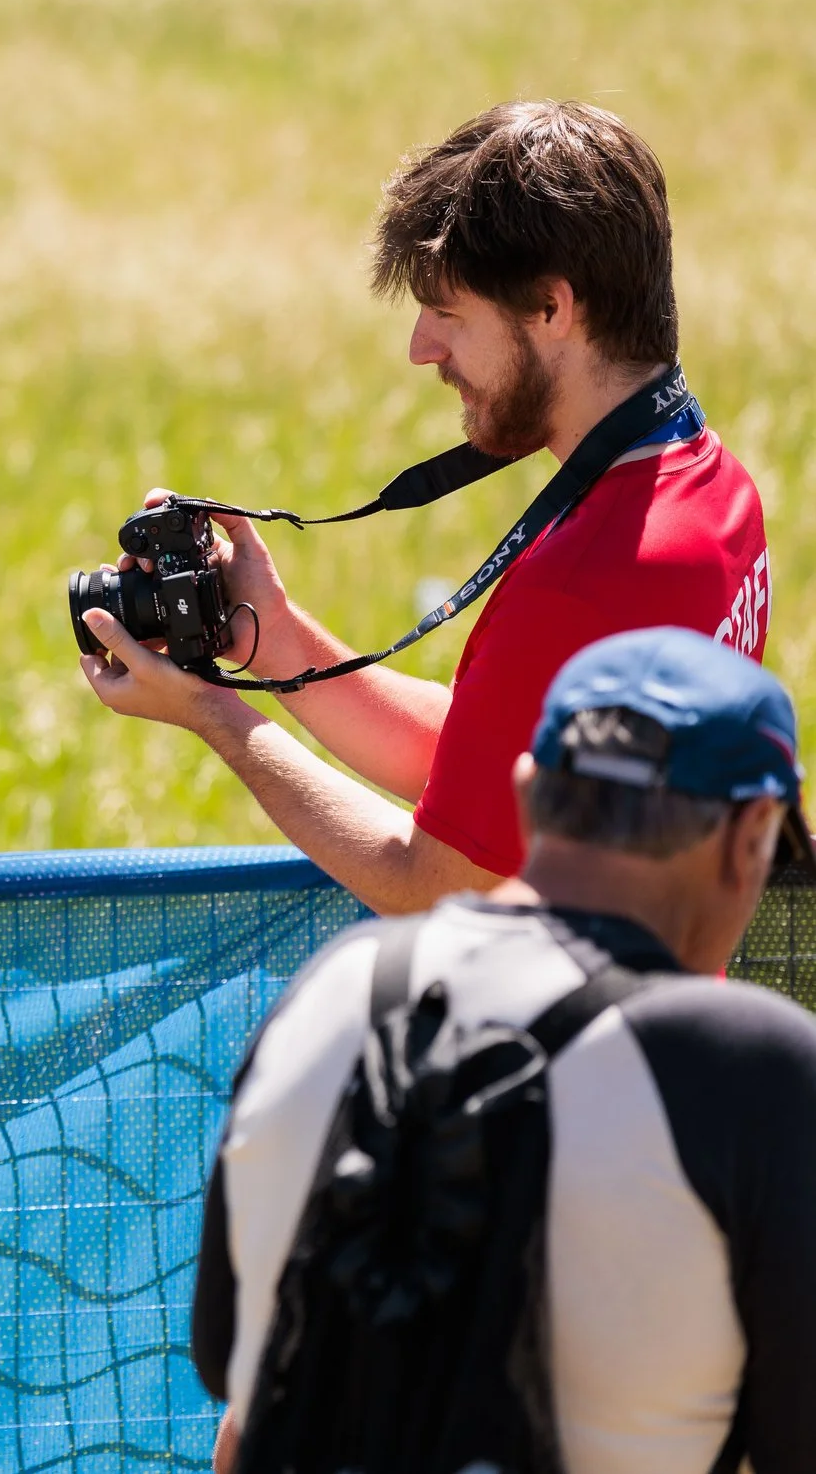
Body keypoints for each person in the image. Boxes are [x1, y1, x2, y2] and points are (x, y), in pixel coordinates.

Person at [80, 102, 771, 914]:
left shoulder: (589, 578)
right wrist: (274, 638)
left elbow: (434, 885)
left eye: (447, 311)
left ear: (552, 308)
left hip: (572, 1034)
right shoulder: (714, 490)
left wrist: (214, 716)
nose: (422, 348)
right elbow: (481, 755)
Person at [195, 627, 816, 1474]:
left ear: (526, 795)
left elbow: (230, 1363)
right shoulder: (755, 1068)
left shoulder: (327, 993)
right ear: (750, 838)